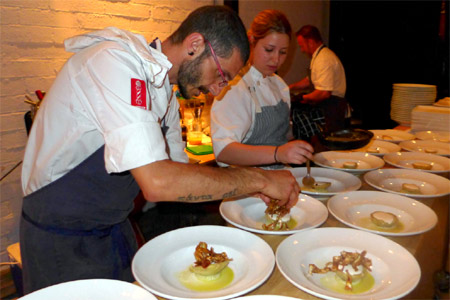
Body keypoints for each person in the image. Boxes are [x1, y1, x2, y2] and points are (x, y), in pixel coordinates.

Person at [20, 6, 301, 294]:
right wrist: (261, 179)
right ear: (195, 45)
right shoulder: (114, 63)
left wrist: (243, 189)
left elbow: (182, 177)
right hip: (63, 238)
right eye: (221, 75)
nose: (218, 91)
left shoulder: (164, 90)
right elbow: (158, 182)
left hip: (114, 228)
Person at [210, 10, 314, 169]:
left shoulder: (279, 85)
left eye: (283, 52)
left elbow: (279, 137)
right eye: (269, 50)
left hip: (280, 177)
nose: (276, 59)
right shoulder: (234, 87)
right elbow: (224, 151)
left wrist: (297, 137)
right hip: (247, 184)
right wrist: (277, 153)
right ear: (252, 41)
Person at [288, 25, 349, 138]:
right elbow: (309, 80)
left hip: (332, 108)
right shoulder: (318, 57)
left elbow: (324, 93)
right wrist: (290, 87)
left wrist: (301, 98)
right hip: (328, 105)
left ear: (310, 41)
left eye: (302, 46)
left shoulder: (324, 59)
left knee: (328, 140)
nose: (302, 50)